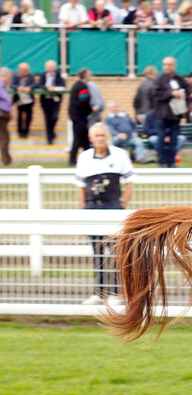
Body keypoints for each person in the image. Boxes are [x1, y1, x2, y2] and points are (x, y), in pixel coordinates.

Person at [75, 123, 134, 306]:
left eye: (103, 134)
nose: (100, 138)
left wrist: (123, 202)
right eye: (97, 135)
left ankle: (118, 293)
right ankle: (100, 292)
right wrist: (85, 206)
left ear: (107, 136)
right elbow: (80, 185)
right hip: (93, 207)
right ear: (91, 138)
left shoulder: (119, 155)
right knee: (97, 249)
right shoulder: (84, 157)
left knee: (117, 250)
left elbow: (130, 180)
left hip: (113, 206)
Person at [152, 56, 190, 167]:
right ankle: (161, 161)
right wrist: (171, 94)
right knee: (161, 138)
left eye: (169, 64)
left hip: (175, 115)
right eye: (165, 64)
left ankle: (171, 161)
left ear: (174, 66)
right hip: (161, 114)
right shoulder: (159, 79)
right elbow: (155, 95)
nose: (167, 67)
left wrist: (182, 95)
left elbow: (187, 90)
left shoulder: (179, 78)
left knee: (174, 139)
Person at [35, 60, 65, 145]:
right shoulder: (43, 75)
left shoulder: (58, 75)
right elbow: (39, 85)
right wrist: (47, 88)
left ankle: (51, 131)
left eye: (52, 67)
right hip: (45, 100)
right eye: (49, 67)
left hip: (55, 100)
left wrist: (54, 88)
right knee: (47, 118)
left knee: (54, 117)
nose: (50, 69)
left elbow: (63, 85)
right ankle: (49, 137)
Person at [68, 68, 93, 166]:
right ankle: (72, 160)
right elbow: (84, 101)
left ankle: (89, 158)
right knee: (78, 138)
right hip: (80, 116)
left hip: (77, 116)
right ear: (85, 76)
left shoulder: (77, 85)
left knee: (84, 139)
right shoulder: (82, 86)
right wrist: (91, 109)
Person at [10, 62, 36, 139]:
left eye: (25, 70)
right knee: (20, 116)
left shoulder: (31, 76)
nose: (24, 72)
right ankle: (20, 131)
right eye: (22, 70)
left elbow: (35, 84)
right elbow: (12, 85)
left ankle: (26, 131)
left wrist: (29, 88)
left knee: (29, 116)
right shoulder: (16, 75)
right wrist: (19, 87)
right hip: (19, 99)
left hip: (29, 99)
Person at [0, 67, 12, 165]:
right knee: (5, 138)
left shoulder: (3, 86)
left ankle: (7, 159)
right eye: (9, 78)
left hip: (4, 115)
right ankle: (6, 160)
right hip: (1, 115)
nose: (9, 80)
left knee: (5, 137)